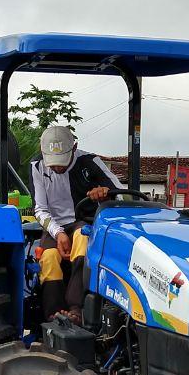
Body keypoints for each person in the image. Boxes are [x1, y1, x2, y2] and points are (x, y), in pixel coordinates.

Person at [30, 123, 119, 319]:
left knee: (82, 237)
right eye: (51, 161)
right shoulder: (37, 167)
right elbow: (40, 210)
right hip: (54, 227)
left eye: (61, 161)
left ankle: (76, 308)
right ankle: (53, 315)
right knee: (49, 256)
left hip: (83, 222)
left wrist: (104, 195)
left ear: (75, 148)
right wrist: (58, 233)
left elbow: (120, 196)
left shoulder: (90, 162)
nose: (56, 166)